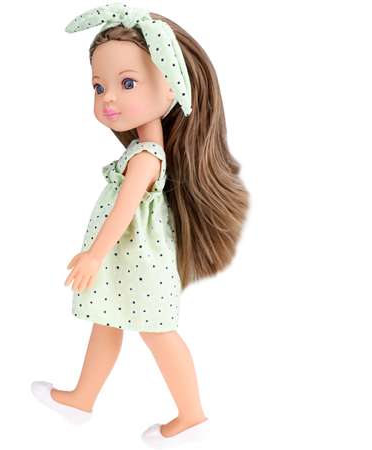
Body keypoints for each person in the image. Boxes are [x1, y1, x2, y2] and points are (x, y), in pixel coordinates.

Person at [32, 3, 249, 448]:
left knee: (158, 334)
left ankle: (191, 415)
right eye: (98, 87)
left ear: (171, 88)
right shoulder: (142, 153)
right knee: (106, 322)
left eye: (127, 83)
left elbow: (124, 210)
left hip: (139, 265)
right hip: (128, 264)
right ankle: (81, 399)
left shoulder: (146, 157)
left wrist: (94, 255)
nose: (107, 98)